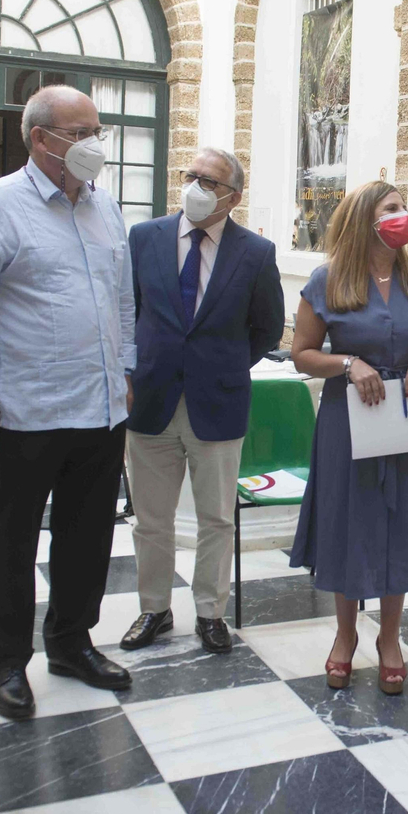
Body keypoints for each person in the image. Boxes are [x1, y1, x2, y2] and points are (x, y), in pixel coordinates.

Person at [0, 84, 136, 720]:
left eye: (95, 131)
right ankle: (6, 661)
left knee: (87, 537)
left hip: (100, 407)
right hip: (25, 410)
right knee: (13, 539)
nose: (92, 145)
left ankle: (71, 642)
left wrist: (126, 369)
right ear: (39, 140)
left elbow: (123, 300)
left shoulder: (107, 210)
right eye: (77, 134)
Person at [121, 147, 284, 653]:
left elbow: (267, 328)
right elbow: (130, 311)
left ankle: (211, 611)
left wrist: (225, 366)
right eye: (192, 176)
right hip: (150, 398)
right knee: (151, 518)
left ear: (233, 196)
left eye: (209, 181)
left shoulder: (255, 252)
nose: (195, 186)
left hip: (218, 401)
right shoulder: (145, 237)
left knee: (216, 517)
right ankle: (154, 609)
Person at [290, 181, 408, 696]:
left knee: (398, 521)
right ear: (364, 220)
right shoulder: (328, 279)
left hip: (406, 420)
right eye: (392, 209)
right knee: (347, 523)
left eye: (403, 207)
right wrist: (347, 363)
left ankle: (390, 639)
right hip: (348, 418)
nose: (403, 216)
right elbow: (302, 352)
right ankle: (344, 635)